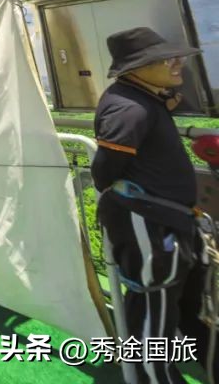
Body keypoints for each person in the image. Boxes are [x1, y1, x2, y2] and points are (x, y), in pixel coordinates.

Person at [91, 27, 214, 384]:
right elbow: (105, 170)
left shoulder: (144, 98)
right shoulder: (127, 109)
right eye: (164, 59)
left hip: (170, 224)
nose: (177, 63)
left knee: (179, 312)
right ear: (136, 68)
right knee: (151, 321)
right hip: (150, 229)